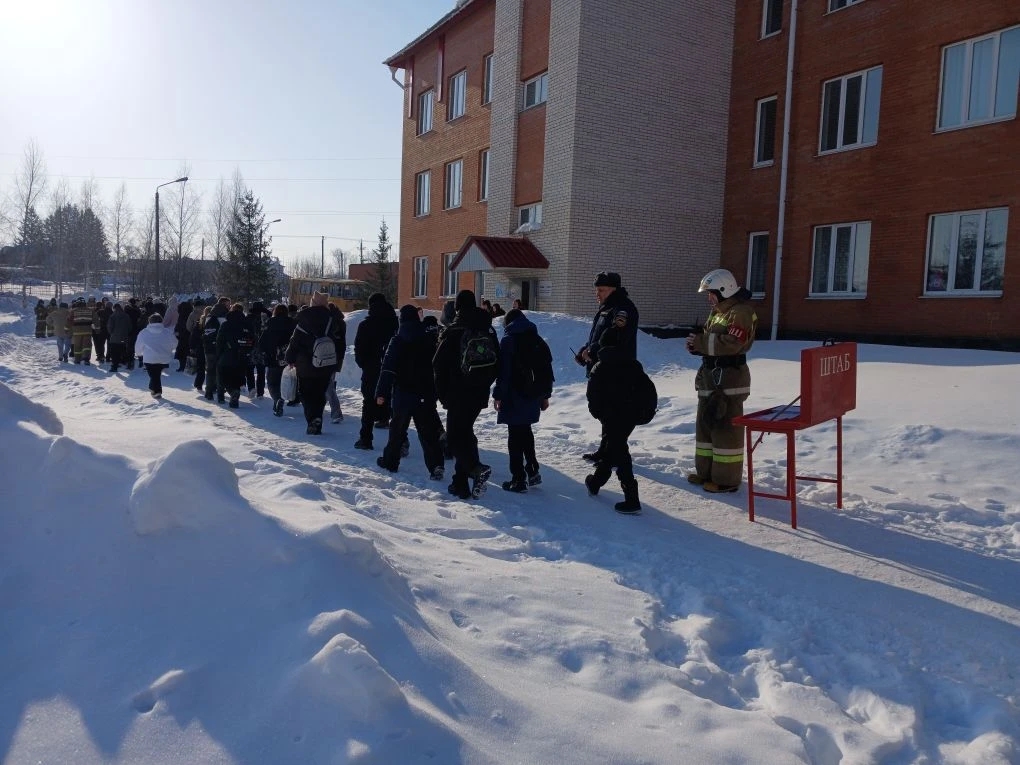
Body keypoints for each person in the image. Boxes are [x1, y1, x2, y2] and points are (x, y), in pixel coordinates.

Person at [685, 268, 757, 493]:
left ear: (724, 290)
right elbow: (711, 341)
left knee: (726, 431)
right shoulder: (718, 312)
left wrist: (701, 342)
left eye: (712, 293)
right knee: (705, 428)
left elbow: (733, 343)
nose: (709, 298)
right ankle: (705, 473)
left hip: (729, 380)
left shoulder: (741, 312)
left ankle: (726, 480)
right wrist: (696, 346)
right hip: (710, 378)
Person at [577, 271, 643, 513]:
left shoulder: (623, 310)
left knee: (616, 437)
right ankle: (597, 480)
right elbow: (598, 338)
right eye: (597, 290)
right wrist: (585, 352)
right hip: (604, 374)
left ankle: (631, 497)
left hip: (618, 378)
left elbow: (615, 341)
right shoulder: (606, 309)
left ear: (614, 289)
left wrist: (593, 352)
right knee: (612, 432)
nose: (598, 294)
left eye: (602, 290)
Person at [433, 289, 499, 499]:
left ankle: (475, 468)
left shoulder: (454, 330)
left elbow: (438, 364)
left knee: (454, 438)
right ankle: (459, 484)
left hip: (456, 394)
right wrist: (483, 384)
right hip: (478, 394)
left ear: (457, 307)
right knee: (465, 434)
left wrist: (443, 394)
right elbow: (496, 362)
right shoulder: (487, 329)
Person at [373, 305, 445, 478]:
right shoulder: (428, 339)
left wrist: (381, 393)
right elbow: (436, 367)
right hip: (424, 393)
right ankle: (436, 465)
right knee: (428, 433)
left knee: (397, 431)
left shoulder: (397, 340)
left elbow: (388, 369)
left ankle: (390, 462)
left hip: (403, 393)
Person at [493, 308, 553, 492]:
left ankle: (518, 479)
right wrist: (545, 395)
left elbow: (504, 373)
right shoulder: (537, 339)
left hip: (514, 395)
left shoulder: (508, 340)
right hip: (534, 395)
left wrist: (498, 395)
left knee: (515, 437)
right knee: (526, 432)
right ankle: (533, 472)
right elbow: (547, 370)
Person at [284, 291, 343, 434]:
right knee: (320, 393)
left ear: (312, 304)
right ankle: (317, 417)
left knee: (306, 393)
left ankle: (312, 418)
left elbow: (294, 342)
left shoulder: (304, 320)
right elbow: (339, 342)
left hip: (305, 365)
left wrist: (290, 359)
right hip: (326, 363)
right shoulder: (332, 320)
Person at [353, 292, 398, 449]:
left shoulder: (366, 325)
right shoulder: (394, 323)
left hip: (372, 369)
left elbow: (359, 350)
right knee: (393, 401)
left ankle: (365, 439)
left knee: (369, 402)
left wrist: (364, 364)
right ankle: (400, 441)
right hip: (391, 369)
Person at [134, 299, 179, 398]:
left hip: (149, 358)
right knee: (156, 374)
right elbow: (175, 343)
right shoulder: (167, 332)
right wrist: (169, 349)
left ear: (150, 321)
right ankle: (153, 389)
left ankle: (157, 391)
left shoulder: (144, 332)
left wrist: (139, 354)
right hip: (164, 358)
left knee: (154, 375)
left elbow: (138, 345)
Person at [259, 303, 296, 416]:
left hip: (273, 358)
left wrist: (264, 352)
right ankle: (284, 398)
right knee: (287, 381)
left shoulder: (270, 322)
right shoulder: (292, 323)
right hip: (289, 359)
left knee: (272, 382)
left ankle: (277, 398)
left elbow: (262, 341)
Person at [216, 303, 255, 409]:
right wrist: (248, 351)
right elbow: (253, 340)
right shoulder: (247, 324)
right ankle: (235, 392)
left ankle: (231, 393)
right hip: (243, 356)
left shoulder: (226, 324)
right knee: (237, 377)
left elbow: (219, 341)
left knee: (224, 377)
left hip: (227, 355)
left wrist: (219, 354)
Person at [202, 298, 230, 402]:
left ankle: (208, 392)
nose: (229, 306)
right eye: (228, 304)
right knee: (220, 371)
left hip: (208, 346)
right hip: (219, 348)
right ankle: (220, 394)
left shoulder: (209, 315)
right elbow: (225, 332)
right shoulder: (223, 315)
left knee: (210, 370)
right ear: (223, 304)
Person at [325, 302, 347, 423]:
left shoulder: (330, 322)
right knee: (329, 382)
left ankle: (336, 413)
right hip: (338, 356)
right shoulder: (341, 322)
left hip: (328, 355)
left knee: (327, 385)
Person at [106, 303, 134, 373]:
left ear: (114, 308)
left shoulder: (112, 316)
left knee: (114, 353)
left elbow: (110, 327)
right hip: (124, 337)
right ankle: (127, 363)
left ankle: (114, 366)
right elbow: (130, 327)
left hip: (114, 338)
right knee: (124, 350)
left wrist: (111, 333)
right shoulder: (126, 315)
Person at [70, 297, 95, 364]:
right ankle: (86, 359)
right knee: (87, 346)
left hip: (77, 332)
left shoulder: (73, 311)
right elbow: (96, 320)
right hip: (87, 331)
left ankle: (77, 359)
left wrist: (66, 329)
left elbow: (69, 321)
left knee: (77, 346)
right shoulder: (90, 310)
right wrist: (97, 329)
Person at [123, 298, 141, 370]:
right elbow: (139, 319)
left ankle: (129, 362)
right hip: (135, 330)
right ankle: (131, 360)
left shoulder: (126, 310)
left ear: (129, 303)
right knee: (133, 346)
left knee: (128, 346)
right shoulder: (138, 310)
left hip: (128, 330)